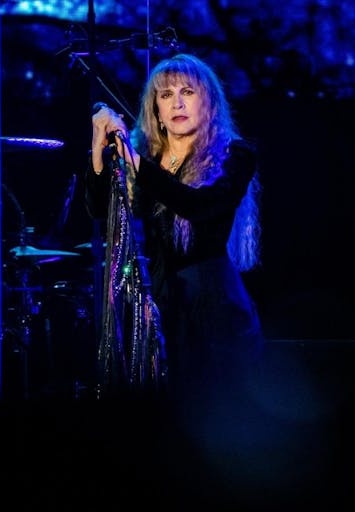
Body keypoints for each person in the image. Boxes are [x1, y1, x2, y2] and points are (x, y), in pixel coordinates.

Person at [85, 53, 264, 415]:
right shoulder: (146, 154)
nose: (177, 103)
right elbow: (101, 213)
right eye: (165, 95)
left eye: (187, 92)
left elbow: (199, 207)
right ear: (155, 107)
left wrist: (136, 163)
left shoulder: (235, 154)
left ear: (209, 102)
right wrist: (98, 144)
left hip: (212, 301)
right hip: (159, 302)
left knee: (216, 410)